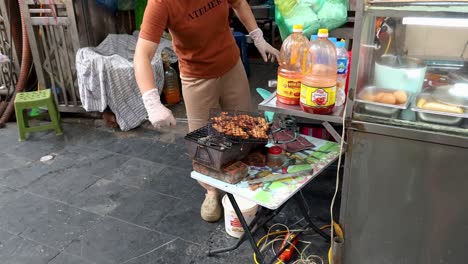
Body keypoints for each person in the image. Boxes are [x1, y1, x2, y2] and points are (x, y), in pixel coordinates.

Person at [134, 0, 279, 222]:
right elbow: (142, 54)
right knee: (205, 145)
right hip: (196, 77)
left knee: (245, 131)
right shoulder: (161, 3)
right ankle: (211, 191)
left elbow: (239, 3)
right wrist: (151, 101)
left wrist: (258, 37)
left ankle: (247, 184)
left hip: (231, 67)